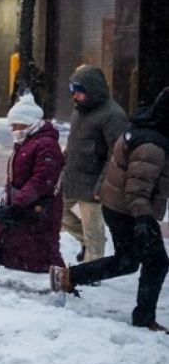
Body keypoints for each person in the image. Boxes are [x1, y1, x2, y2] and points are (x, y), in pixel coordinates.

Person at [50, 86, 169, 334]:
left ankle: (67, 277)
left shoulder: (147, 125)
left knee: (126, 261)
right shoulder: (153, 145)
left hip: (119, 206)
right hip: (130, 210)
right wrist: (144, 220)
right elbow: (137, 188)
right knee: (156, 262)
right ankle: (144, 319)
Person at [0, 94, 66, 284]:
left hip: (40, 208)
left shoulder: (46, 145)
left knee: (47, 249)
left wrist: (17, 204)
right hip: (22, 205)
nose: (12, 129)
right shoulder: (28, 142)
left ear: (27, 123)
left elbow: (42, 179)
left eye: (15, 125)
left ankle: (65, 286)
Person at [61, 65, 128, 263]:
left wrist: (102, 185)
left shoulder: (113, 115)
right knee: (57, 213)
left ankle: (93, 267)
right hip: (72, 176)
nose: (75, 97)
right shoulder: (79, 111)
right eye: (73, 92)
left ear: (92, 91)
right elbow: (74, 142)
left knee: (94, 230)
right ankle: (86, 244)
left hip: (94, 181)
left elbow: (116, 155)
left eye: (79, 93)